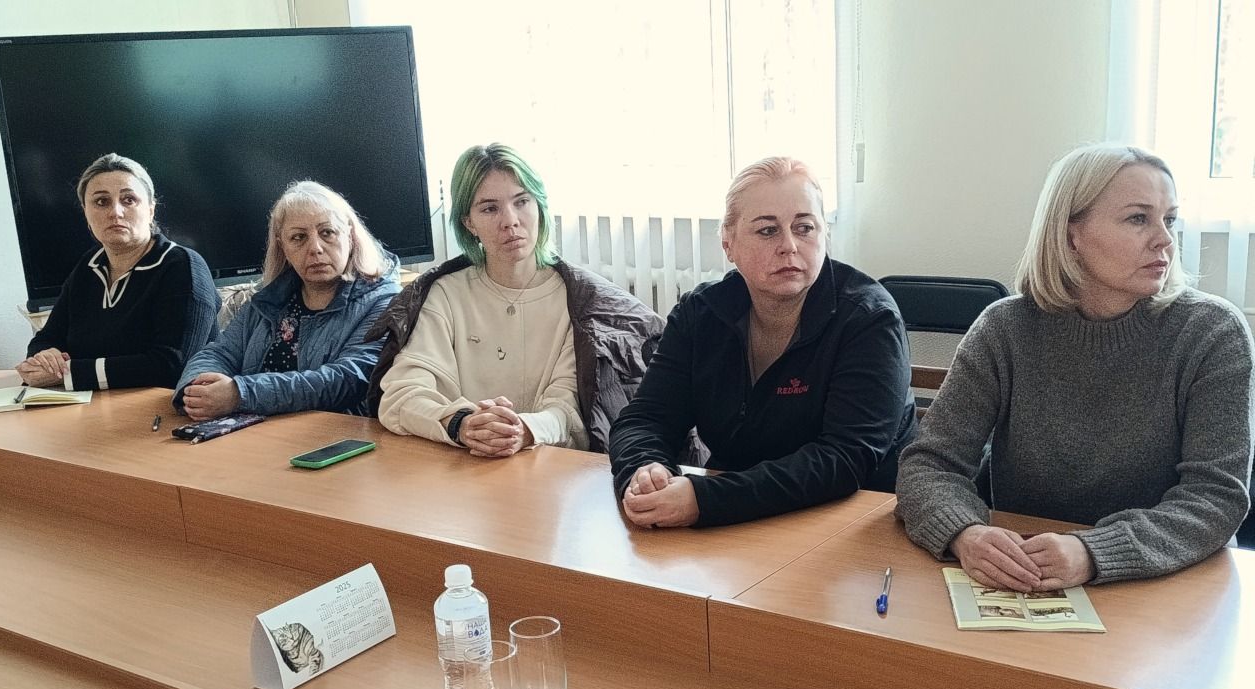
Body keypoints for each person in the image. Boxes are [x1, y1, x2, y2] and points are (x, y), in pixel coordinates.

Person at [897, 143, 1254, 590]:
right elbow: (929, 464)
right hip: (1031, 573)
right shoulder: (1005, 328)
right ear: (1071, 236)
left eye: (1170, 219)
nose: (1165, 239)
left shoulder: (1212, 332)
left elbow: (1215, 497)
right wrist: (964, 533)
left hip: (1171, 585)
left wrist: (1093, 552)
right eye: (1138, 218)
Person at [607, 156, 917, 528]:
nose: (789, 246)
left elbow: (845, 458)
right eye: (768, 231)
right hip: (740, 517)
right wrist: (645, 469)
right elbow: (645, 419)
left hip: (858, 519)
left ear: (825, 235)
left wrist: (706, 500)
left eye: (804, 227)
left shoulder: (869, 318)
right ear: (728, 243)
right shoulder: (700, 314)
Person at [368, 143, 663, 456]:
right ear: (469, 222)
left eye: (522, 201)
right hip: (460, 467)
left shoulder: (577, 301)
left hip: (548, 469)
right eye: (489, 209)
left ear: (539, 206)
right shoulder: (445, 293)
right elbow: (401, 395)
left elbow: (569, 409)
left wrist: (523, 430)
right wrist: (462, 424)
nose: (510, 221)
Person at [174, 181, 398, 418]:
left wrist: (240, 395)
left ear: (350, 236)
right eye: (299, 237)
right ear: (283, 247)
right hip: (254, 430)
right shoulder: (268, 299)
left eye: (327, 232)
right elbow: (217, 353)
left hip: (335, 433)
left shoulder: (384, 300)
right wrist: (198, 391)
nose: (315, 248)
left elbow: (349, 379)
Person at [18, 153, 219, 390]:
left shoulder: (183, 266)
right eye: (101, 202)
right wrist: (45, 356)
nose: (115, 212)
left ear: (151, 210)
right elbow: (46, 338)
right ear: (85, 212)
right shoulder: (89, 266)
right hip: (95, 404)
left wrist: (69, 373)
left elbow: (171, 366)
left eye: (129, 200)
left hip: (167, 406)